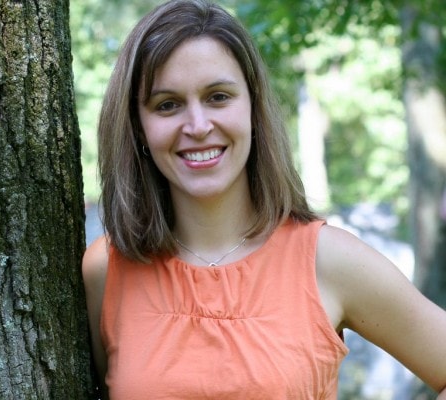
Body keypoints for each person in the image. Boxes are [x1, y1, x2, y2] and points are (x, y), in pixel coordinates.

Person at [82, 0, 446, 398]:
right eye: (167, 105)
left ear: (253, 107)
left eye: (218, 96)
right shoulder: (107, 269)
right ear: (138, 127)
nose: (198, 126)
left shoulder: (330, 261)